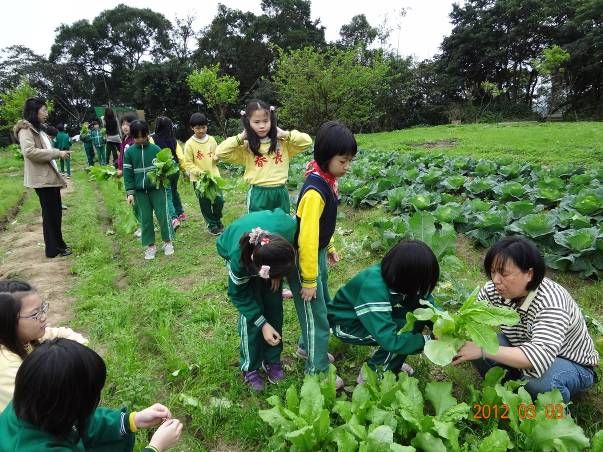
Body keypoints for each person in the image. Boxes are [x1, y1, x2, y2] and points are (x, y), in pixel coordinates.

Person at [452, 236, 599, 403]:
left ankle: (554, 417)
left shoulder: (552, 302)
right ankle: (512, 391)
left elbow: (538, 357)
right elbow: (469, 320)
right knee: (477, 347)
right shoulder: (494, 290)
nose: (496, 280)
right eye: (493, 272)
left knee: (540, 384)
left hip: (569, 362)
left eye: (504, 273)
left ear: (529, 274)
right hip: (521, 345)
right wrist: (450, 335)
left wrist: (484, 349)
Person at [0, 338, 183, 451]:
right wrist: (155, 447)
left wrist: (133, 420)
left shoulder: (27, 405)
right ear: (70, 405)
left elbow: (79, 423)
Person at [288, 120, 357, 384]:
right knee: (316, 314)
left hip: (316, 254)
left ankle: (306, 347)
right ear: (326, 157)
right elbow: (305, 239)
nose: (347, 167)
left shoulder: (326, 180)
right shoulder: (315, 191)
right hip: (305, 260)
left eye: (349, 160)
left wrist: (329, 247)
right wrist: (307, 279)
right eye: (343, 161)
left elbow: (320, 228)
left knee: (321, 304)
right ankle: (317, 371)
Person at [328, 240, 440, 383]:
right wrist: (428, 341)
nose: (420, 290)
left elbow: (422, 304)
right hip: (346, 325)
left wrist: (439, 322)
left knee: (414, 321)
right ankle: (371, 375)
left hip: (366, 318)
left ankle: (391, 366)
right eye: (419, 285)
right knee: (401, 333)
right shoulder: (373, 289)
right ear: (408, 279)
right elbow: (389, 340)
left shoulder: (396, 277)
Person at [217, 209, 302, 391]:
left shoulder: (289, 229)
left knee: (274, 306)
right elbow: (238, 295)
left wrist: (276, 276)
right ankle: (250, 367)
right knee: (252, 316)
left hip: (270, 255)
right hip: (238, 249)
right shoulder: (239, 262)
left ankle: (272, 360)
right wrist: (262, 324)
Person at [0, 280, 88, 411]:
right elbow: (38, 410)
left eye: (43, 309)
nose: (43, 317)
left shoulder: (26, 338)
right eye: (35, 314)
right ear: (9, 320)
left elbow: (66, 334)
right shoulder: (7, 367)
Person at [216, 99, 312, 213]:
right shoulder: (247, 147)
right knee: (258, 227)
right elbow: (220, 152)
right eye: (256, 122)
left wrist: (285, 134)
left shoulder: (282, 143)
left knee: (280, 225)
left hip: (280, 192)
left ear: (271, 120)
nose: (262, 126)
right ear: (248, 123)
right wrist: (240, 137)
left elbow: (307, 142)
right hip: (258, 193)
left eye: (265, 121)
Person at [14, 97, 71, 258]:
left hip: (47, 176)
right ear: (34, 111)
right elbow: (29, 152)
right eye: (43, 110)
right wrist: (56, 153)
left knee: (55, 212)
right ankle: (53, 249)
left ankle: (58, 245)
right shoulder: (26, 130)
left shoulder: (38, 128)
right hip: (42, 179)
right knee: (50, 213)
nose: (46, 113)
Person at [123, 120, 174, 260]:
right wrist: (130, 192)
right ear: (133, 136)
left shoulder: (156, 149)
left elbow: (166, 167)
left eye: (143, 136)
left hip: (157, 189)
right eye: (136, 137)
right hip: (140, 193)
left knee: (163, 215)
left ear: (147, 134)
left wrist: (164, 175)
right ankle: (150, 246)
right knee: (145, 219)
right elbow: (127, 174)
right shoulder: (129, 153)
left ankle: (168, 242)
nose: (140, 140)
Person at [182, 113, 223, 235]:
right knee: (205, 203)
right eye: (197, 128)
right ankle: (212, 225)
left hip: (214, 176)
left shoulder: (212, 140)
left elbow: (217, 154)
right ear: (192, 128)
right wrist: (200, 173)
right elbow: (188, 163)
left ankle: (217, 219)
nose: (201, 130)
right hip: (199, 180)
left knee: (219, 201)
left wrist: (218, 157)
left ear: (206, 127)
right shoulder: (189, 144)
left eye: (203, 127)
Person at [151, 116, 186, 231]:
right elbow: (180, 156)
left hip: (164, 170)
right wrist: (184, 170)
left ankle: (173, 218)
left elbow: (151, 155)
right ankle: (180, 213)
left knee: (167, 194)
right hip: (175, 169)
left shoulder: (153, 139)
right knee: (174, 190)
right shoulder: (173, 140)